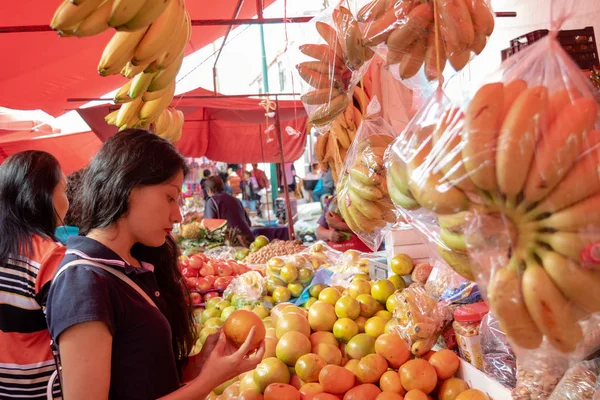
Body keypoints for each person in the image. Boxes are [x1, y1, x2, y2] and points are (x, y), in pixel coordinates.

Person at [45, 130, 264, 400]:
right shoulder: (83, 282)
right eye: (170, 197)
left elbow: (142, 378)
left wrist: (199, 364)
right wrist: (207, 382)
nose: (178, 214)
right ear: (126, 187)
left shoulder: (135, 265)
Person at [0, 151, 69, 399]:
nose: (67, 200)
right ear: (43, 197)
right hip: (41, 393)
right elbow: (71, 341)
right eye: (64, 189)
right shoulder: (49, 258)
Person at [204, 176, 255, 246]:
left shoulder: (211, 201)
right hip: (250, 242)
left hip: (233, 246)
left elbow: (210, 229)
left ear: (209, 190)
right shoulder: (236, 200)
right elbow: (248, 223)